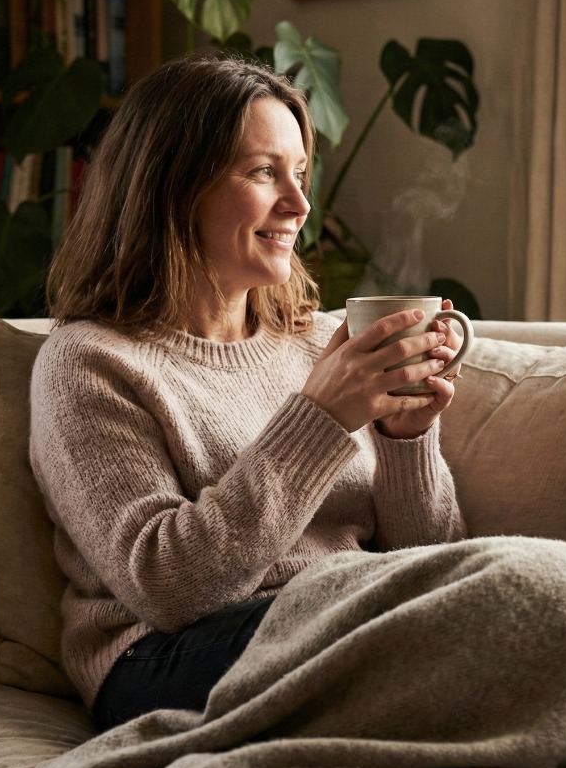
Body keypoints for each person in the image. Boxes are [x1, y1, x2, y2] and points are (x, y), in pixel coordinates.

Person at [30, 54, 467, 731]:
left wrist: (406, 438)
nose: (299, 205)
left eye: (300, 174)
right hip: (167, 660)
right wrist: (320, 419)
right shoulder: (88, 363)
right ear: (172, 187)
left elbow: (431, 562)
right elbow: (168, 587)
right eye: (265, 172)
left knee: (512, 589)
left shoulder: (316, 342)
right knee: (485, 610)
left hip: (345, 619)